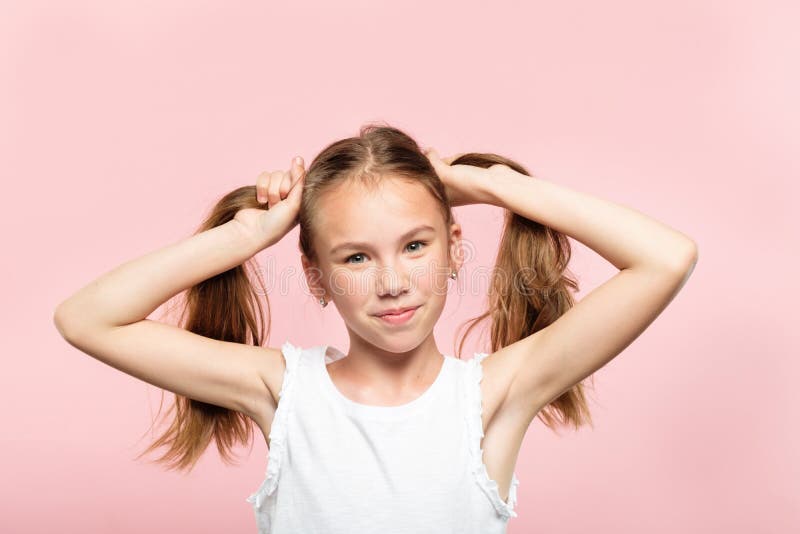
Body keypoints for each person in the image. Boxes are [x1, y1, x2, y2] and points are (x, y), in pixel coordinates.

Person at [53, 123, 698, 533]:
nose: (391, 282)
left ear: (454, 246)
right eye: (356, 257)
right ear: (314, 275)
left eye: (415, 246)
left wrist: (492, 185)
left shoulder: (494, 395)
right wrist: (246, 235)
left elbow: (667, 257)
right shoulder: (283, 391)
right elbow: (86, 318)